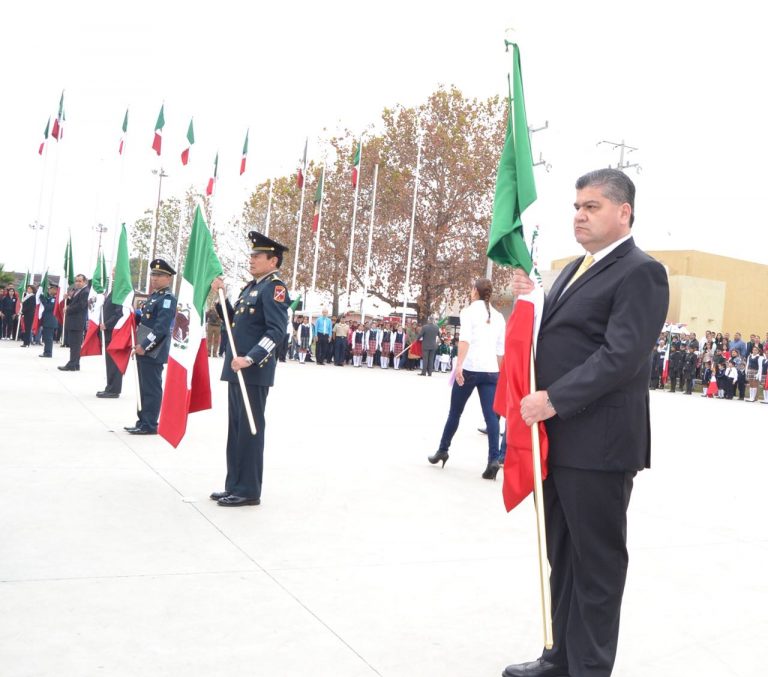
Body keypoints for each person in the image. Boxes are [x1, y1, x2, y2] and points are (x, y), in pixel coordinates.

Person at [503, 169, 669, 677]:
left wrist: (552, 399)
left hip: (600, 444)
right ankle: (560, 657)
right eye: (577, 205)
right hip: (560, 440)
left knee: (597, 566)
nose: (579, 214)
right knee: (564, 558)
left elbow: (621, 356)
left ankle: (590, 668)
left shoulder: (641, 271)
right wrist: (528, 298)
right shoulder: (576, 267)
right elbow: (560, 337)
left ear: (624, 212)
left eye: (592, 206)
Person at [210, 231, 289, 507]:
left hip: (253, 371)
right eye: (251, 255)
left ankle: (248, 490)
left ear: (273, 260)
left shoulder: (274, 289)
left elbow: (276, 331)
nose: (251, 259)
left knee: (250, 430)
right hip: (236, 369)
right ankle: (234, 484)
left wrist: (251, 358)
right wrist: (221, 299)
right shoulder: (250, 288)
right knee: (236, 429)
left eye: (258, 256)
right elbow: (235, 324)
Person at [428, 278, 505, 479]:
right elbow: (500, 350)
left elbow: (465, 340)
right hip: (491, 370)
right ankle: (493, 459)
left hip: (470, 367)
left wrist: (459, 365)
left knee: (455, 412)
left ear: (475, 292)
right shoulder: (498, 317)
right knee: (491, 416)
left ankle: (443, 450)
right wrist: (499, 372)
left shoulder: (469, 311)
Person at [124, 259, 177, 435]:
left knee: (151, 388)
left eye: (159, 275)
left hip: (154, 349)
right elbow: (145, 320)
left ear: (168, 278)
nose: (154, 278)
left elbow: (161, 328)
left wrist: (145, 346)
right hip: (143, 346)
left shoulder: (167, 299)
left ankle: (150, 424)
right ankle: (142, 421)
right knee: (143, 386)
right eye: (153, 274)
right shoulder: (154, 297)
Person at [97, 285, 124, 398]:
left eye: (115, 272)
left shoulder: (121, 290)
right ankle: (110, 387)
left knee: (114, 362)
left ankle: (114, 390)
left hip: (114, 331)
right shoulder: (114, 290)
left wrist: (107, 324)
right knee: (110, 362)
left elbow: (119, 313)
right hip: (109, 332)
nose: (113, 274)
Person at [58, 273, 89, 372]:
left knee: (75, 345)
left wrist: (68, 308)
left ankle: (72, 364)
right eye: (76, 281)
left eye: (80, 281)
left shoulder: (85, 291)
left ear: (85, 282)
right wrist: (69, 298)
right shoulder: (76, 291)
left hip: (77, 322)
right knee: (73, 344)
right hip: (73, 321)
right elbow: (75, 302)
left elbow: (81, 306)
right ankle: (75, 364)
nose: (77, 283)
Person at [39, 282, 59, 358]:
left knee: (48, 338)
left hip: (50, 321)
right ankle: (46, 351)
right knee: (46, 337)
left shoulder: (54, 299)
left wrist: (42, 299)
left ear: (55, 290)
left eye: (50, 289)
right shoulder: (50, 298)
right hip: (48, 320)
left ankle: (48, 353)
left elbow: (48, 307)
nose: (49, 290)